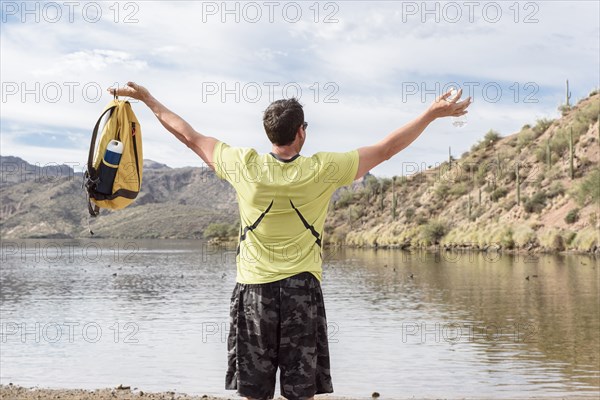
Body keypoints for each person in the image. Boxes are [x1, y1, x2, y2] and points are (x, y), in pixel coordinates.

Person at [109, 82, 471, 400]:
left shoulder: (243, 164)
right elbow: (386, 149)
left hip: (254, 290)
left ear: (270, 134)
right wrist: (430, 113)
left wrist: (148, 99)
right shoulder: (323, 169)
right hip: (302, 288)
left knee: (254, 392)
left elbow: (187, 135)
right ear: (301, 132)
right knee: (302, 393)